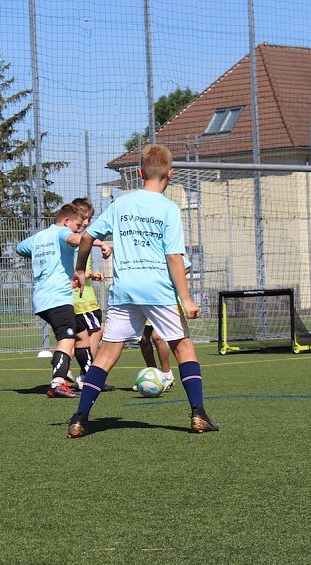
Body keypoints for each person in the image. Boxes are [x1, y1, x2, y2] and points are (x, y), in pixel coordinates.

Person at [67, 144, 218, 438]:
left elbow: (86, 238)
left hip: (125, 290)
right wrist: (186, 298)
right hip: (158, 290)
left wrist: (80, 269)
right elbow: (175, 258)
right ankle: (198, 414)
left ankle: (80, 417)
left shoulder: (121, 204)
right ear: (170, 174)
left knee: (107, 355)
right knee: (183, 348)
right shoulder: (169, 209)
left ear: (139, 173)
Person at [16, 202, 107, 398]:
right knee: (67, 338)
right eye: (77, 225)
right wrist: (100, 242)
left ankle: (87, 380)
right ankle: (57, 382)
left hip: (42, 297)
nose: (80, 228)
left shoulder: (39, 238)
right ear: (66, 221)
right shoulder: (60, 232)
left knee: (81, 334)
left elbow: (20, 248)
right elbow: (75, 239)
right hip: (57, 297)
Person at [69, 197, 116, 392]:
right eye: (84, 219)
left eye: (89, 219)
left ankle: (65, 368)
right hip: (82, 300)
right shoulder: (72, 239)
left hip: (84, 298)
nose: (87, 223)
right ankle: (86, 373)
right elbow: (73, 270)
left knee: (79, 337)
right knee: (95, 332)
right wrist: (90, 272)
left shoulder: (75, 239)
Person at [137, 258, 191, 391]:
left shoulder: (160, 248)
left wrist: (168, 279)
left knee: (157, 336)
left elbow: (186, 266)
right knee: (143, 339)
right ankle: (153, 375)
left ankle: (167, 375)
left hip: (164, 298)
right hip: (141, 298)